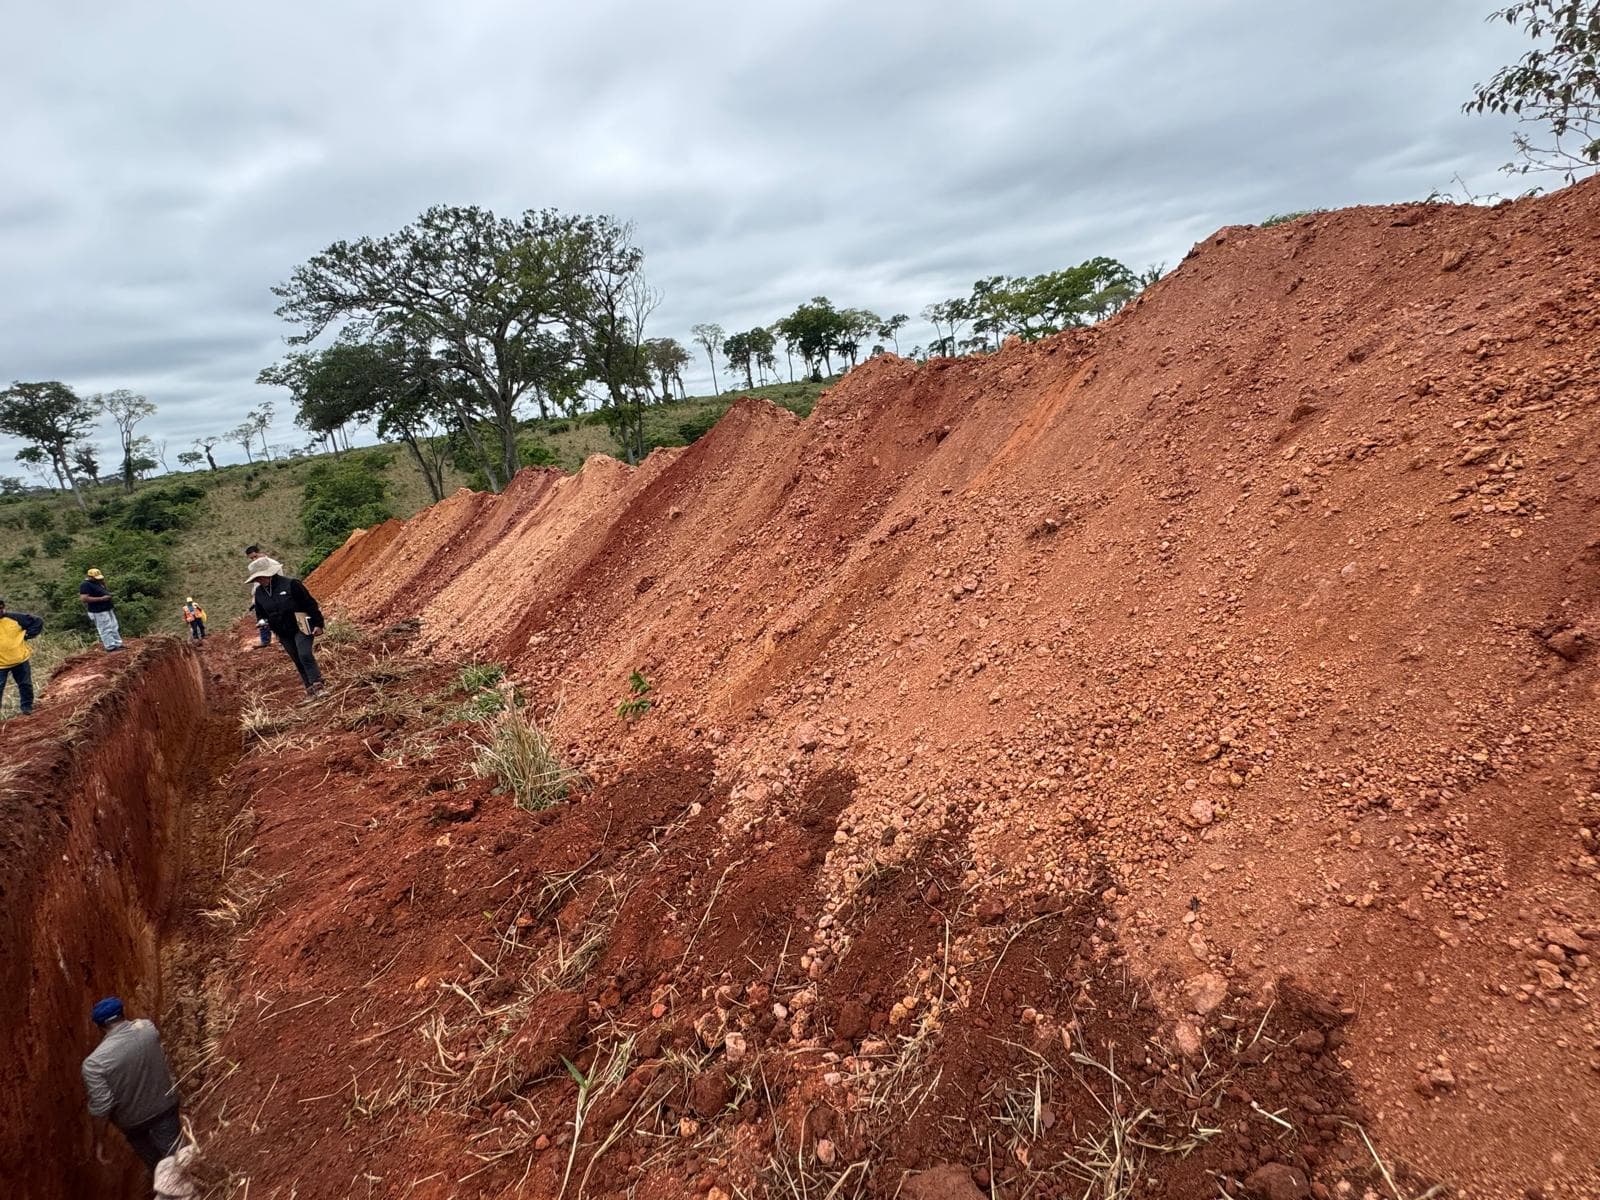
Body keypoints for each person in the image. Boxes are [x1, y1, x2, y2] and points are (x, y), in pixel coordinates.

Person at [82, 997, 181, 1170]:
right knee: (179, 1160)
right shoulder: (148, 1029)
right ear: (123, 1013)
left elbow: (102, 1106)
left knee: (157, 1168)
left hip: (134, 1124)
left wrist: (100, 1140)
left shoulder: (94, 1064)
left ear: (99, 1026)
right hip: (165, 1109)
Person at [248, 556, 327, 696]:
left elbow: (310, 603)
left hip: (301, 622)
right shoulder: (259, 593)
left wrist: (318, 623)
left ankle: (318, 684)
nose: (260, 580)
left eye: (261, 576)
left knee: (304, 654)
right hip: (282, 630)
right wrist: (262, 621)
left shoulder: (291, 584)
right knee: (296, 658)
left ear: (270, 573)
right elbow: (261, 613)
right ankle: (310, 689)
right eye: (257, 578)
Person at [0, 597, 44, 716]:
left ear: (3, 608)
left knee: (25, 684)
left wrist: (27, 635)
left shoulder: (16, 618)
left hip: (20, 659)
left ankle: (27, 707)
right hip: (1, 664)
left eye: (1, 608)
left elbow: (37, 621)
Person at [79, 568, 123, 651]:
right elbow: (84, 598)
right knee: (105, 628)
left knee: (114, 626)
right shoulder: (85, 585)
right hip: (98, 611)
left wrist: (103, 583)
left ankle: (118, 644)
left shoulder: (97, 583)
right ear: (90, 577)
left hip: (107, 608)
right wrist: (102, 599)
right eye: (96, 578)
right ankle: (110, 647)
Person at [244, 545, 271, 647]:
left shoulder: (270, 563)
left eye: (255, 556)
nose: (254, 560)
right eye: (251, 558)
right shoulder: (254, 567)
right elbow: (256, 585)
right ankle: (265, 640)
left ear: (259, 553)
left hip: (270, 593)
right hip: (260, 595)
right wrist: (254, 599)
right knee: (261, 618)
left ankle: (282, 640)